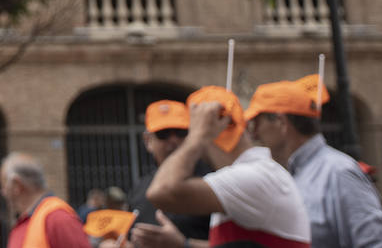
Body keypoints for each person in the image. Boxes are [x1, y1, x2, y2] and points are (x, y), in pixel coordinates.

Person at [246, 77, 382, 248]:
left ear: (281, 122)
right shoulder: (289, 173)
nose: (254, 134)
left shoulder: (339, 173)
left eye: (256, 123)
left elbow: (379, 244)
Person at [147, 90, 311, 248]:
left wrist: (196, 137)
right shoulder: (251, 173)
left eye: (185, 132)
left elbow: (161, 192)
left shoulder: (252, 176)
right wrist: (183, 244)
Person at [127, 100, 212, 248]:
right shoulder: (140, 189)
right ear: (148, 141)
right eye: (163, 134)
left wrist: (184, 245)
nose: (173, 140)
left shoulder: (212, 181)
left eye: (180, 132)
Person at [0, 152, 90, 248]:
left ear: (17, 185)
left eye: (3, 186)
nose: (2, 192)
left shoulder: (57, 219)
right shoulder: (28, 221)